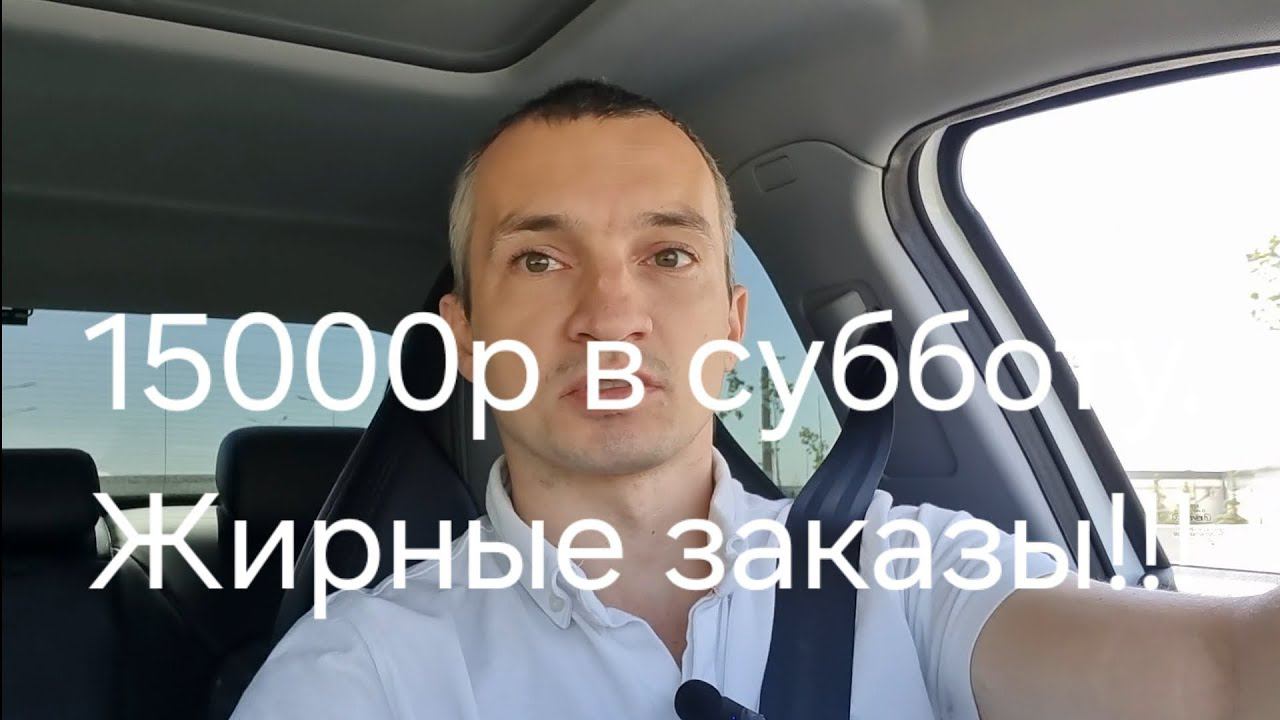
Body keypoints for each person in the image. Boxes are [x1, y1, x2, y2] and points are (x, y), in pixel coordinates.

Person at [232, 79, 1279, 720]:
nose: (611, 314)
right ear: (464, 339)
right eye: (540, 260)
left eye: (668, 254)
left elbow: (1227, 676)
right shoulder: (363, 667)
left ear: (732, 323)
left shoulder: (911, 572)